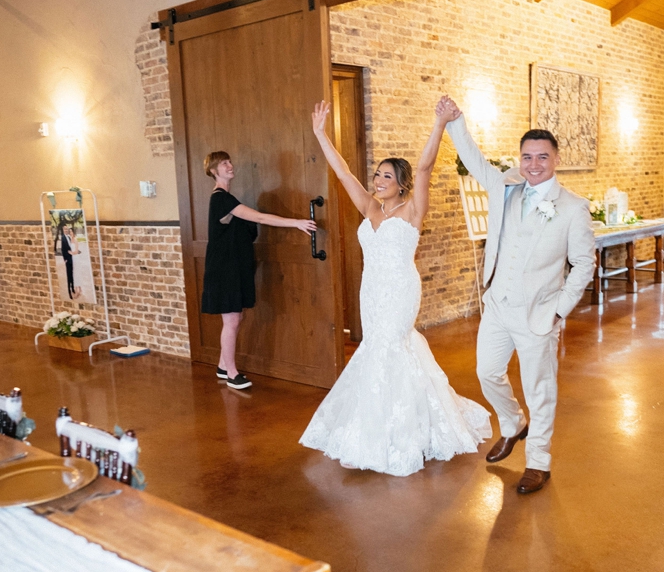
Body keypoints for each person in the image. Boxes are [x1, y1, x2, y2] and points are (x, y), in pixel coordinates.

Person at [298, 97, 491, 475]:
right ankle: (373, 424)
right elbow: (342, 174)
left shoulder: (413, 210)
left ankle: (403, 433)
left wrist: (439, 125)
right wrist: (321, 134)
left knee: (393, 346)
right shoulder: (370, 208)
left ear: (401, 184)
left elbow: (424, 168)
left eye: (387, 176)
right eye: (377, 175)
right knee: (375, 348)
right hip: (371, 291)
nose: (378, 181)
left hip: (400, 290)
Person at [444, 97, 596, 495]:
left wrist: (558, 312)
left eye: (542, 157)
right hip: (498, 304)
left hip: (539, 314)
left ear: (555, 159)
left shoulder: (573, 208)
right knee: (486, 372)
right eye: (527, 156)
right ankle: (513, 424)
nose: (533, 164)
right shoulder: (506, 187)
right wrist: (456, 121)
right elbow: (474, 159)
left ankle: (539, 462)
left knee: (539, 390)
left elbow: (584, 265)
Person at [200, 151, 317, 390]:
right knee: (231, 320)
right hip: (223, 269)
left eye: (230, 161)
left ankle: (224, 365)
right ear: (213, 170)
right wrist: (296, 223)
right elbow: (260, 218)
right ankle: (232, 373)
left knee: (236, 317)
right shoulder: (221, 199)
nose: (230, 165)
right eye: (224, 163)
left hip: (231, 267)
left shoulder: (227, 198)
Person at [56, 224, 76, 299]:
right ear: (63, 230)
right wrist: (65, 259)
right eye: (65, 229)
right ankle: (69, 291)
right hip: (68, 259)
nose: (66, 230)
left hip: (72, 258)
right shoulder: (63, 238)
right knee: (68, 275)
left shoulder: (69, 237)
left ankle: (73, 288)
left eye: (67, 229)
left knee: (72, 274)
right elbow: (63, 250)